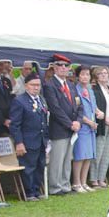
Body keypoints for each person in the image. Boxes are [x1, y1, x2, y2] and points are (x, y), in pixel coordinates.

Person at [43, 54, 79, 197]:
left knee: (67, 158)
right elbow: (55, 108)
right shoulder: (50, 85)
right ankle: (55, 187)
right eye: (59, 65)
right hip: (59, 128)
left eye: (66, 65)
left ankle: (65, 185)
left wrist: (78, 121)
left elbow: (78, 105)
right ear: (54, 67)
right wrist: (70, 124)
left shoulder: (71, 85)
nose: (63, 68)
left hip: (72, 128)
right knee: (57, 159)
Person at [9, 72, 49, 200]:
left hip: (41, 139)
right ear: (26, 86)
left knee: (40, 166)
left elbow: (45, 119)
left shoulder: (41, 99)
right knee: (28, 167)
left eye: (38, 85)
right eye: (33, 85)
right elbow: (15, 125)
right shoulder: (19, 101)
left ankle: (36, 190)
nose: (36, 87)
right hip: (27, 140)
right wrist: (19, 142)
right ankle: (29, 192)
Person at [91, 66, 109, 188]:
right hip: (103, 125)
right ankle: (94, 179)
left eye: (105, 73)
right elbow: (98, 109)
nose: (103, 75)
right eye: (100, 73)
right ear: (96, 76)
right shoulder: (95, 90)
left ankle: (102, 179)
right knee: (99, 152)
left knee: (107, 154)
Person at [70, 64, 98, 193]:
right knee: (80, 155)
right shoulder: (75, 90)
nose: (85, 77)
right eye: (82, 74)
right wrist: (89, 122)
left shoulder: (90, 90)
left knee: (89, 156)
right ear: (78, 76)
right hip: (82, 127)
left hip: (91, 127)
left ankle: (84, 182)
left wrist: (99, 112)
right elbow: (77, 110)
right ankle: (76, 183)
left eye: (87, 74)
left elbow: (93, 107)